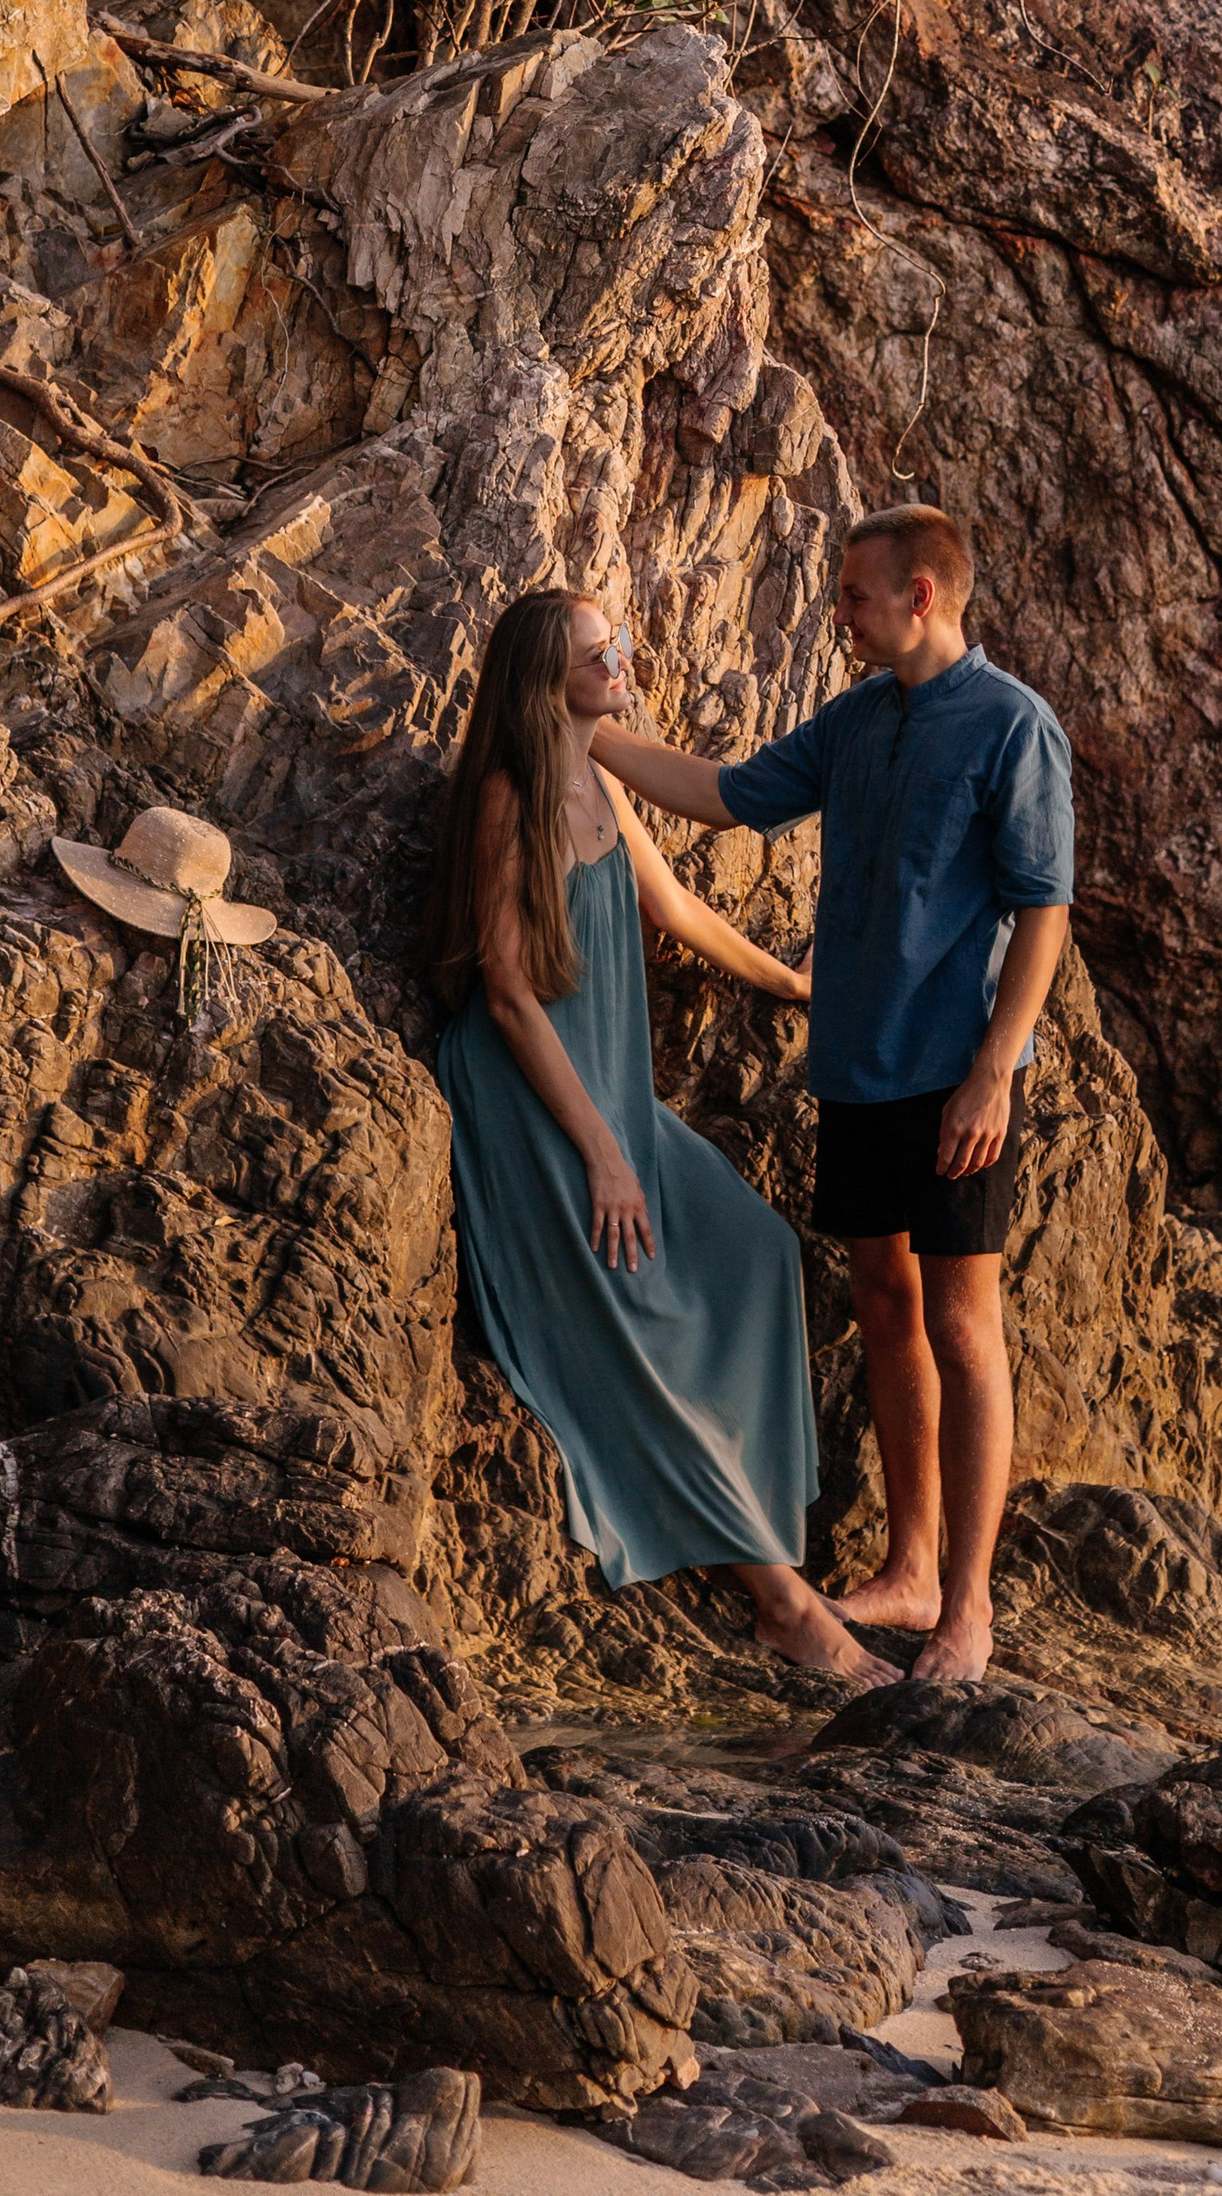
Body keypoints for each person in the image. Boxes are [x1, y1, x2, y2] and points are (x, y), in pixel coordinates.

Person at [593, 502, 1072, 1683]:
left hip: (958, 1076)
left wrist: (992, 1073)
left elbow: (1043, 910)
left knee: (964, 1326)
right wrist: (586, 734)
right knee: (881, 1298)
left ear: (920, 597)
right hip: (855, 1066)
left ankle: (967, 1609)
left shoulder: (1014, 725)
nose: (837, 610)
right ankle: (910, 1572)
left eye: (855, 594)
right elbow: (727, 794)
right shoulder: (859, 718)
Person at [431, 584, 889, 1688]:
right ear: (549, 677)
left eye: (619, 642)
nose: (623, 660)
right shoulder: (511, 795)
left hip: (613, 1089)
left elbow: (672, 907)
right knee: (628, 1311)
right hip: (531, 1093)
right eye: (600, 652)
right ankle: (781, 1603)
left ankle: (756, 1517)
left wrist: (791, 983)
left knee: (755, 1251)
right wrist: (599, 1153)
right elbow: (501, 990)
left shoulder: (598, 776)